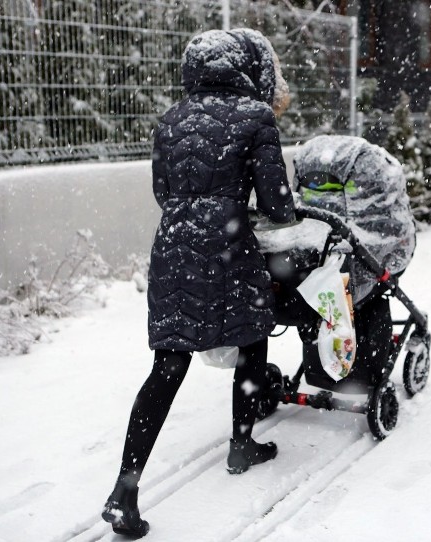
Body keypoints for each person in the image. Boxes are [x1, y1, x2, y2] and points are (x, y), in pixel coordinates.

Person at [101, 28, 295, 538]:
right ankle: (242, 442)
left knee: (168, 363)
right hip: (230, 246)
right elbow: (278, 205)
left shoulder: (170, 120)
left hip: (174, 246)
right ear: (242, 67)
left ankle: (125, 487)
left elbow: (163, 192)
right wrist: (239, 205)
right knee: (253, 335)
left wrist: (198, 208)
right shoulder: (256, 117)